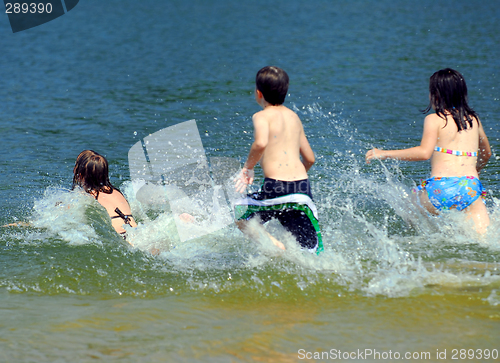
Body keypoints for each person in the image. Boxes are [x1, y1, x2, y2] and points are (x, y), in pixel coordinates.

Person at [366, 68, 491, 233]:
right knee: (483, 238)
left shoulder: (434, 119)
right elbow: (487, 153)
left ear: (436, 94)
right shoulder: (473, 120)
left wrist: (385, 153)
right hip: (470, 187)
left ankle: (418, 243)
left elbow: (424, 153)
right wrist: (476, 170)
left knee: (407, 208)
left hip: (440, 187)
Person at [234, 66, 323, 253]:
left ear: (258, 93)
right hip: (302, 189)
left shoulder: (261, 116)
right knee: (310, 249)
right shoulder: (294, 118)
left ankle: (274, 245)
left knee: (239, 213)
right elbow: (310, 159)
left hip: (275, 187)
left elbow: (260, 143)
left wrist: (247, 168)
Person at [72, 150, 137, 239]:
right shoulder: (117, 193)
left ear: (80, 176)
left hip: (120, 238)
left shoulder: (84, 195)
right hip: (137, 234)